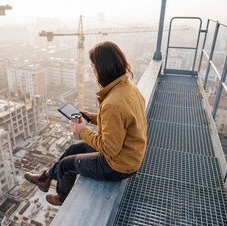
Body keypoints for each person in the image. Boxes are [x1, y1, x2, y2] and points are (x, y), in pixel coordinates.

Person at [24, 41, 148, 206]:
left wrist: (82, 130)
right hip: (129, 155)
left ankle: (61, 197)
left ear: (102, 69)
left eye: (93, 67)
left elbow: (110, 148)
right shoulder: (129, 88)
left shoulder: (112, 103)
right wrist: (93, 117)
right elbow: (122, 121)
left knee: (67, 165)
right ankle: (45, 178)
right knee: (73, 149)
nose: (93, 72)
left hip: (119, 166)